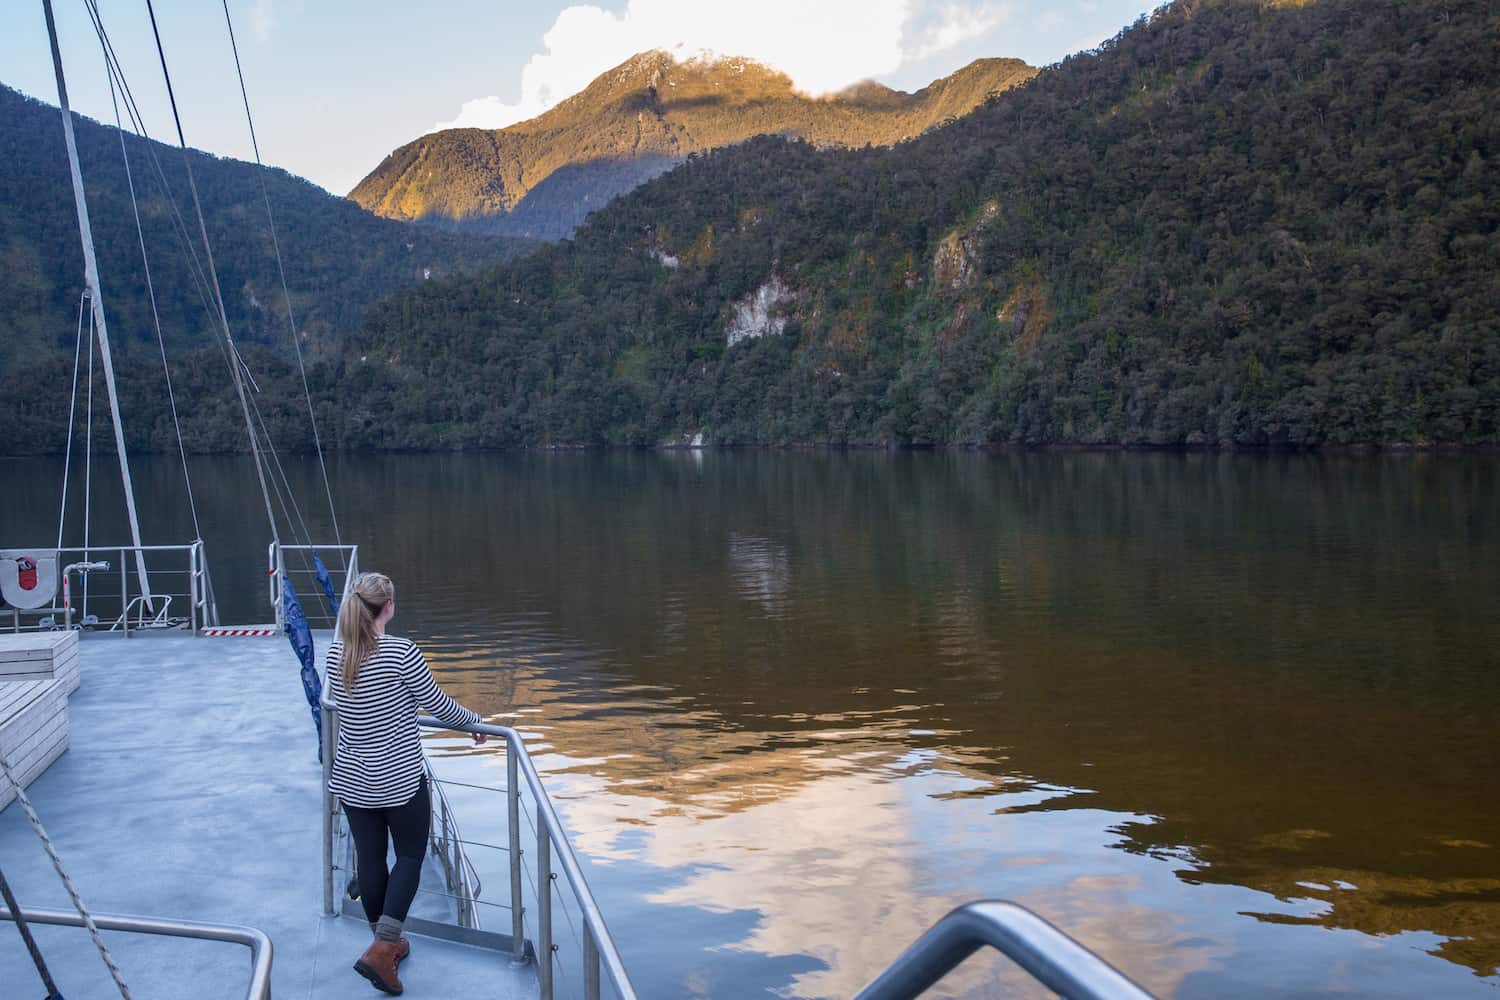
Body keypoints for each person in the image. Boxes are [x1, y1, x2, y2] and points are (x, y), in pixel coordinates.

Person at [327, 571, 485, 996]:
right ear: (389, 608)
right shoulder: (401, 652)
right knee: (412, 856)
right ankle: (382, 949)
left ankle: (386, 944)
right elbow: (437, 704)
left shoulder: (337, 653)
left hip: (355, 780)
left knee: (372, 861)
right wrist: (474, 723)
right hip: (399, 781)